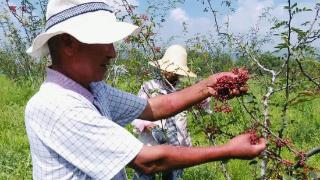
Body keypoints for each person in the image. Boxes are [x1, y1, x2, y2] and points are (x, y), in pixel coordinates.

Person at [25, 0, 266, 179]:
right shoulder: (57, 105)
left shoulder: (94, 90)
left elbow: (153, 107)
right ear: (68, 43)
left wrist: (209, 85)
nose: (112, 52)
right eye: (104, 40)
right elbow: (148, 161)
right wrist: (229, 150)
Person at [131, 44, 209, 179]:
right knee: (144, 176)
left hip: (177, 145)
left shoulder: (184, 89)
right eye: (169, 69)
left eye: (175, 71)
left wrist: (202, 93)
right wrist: (148, 125)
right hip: (151, 145)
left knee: (173, 176)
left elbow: (203, 106)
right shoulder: (149, 87)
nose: (171, 74)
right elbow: (136, 114)